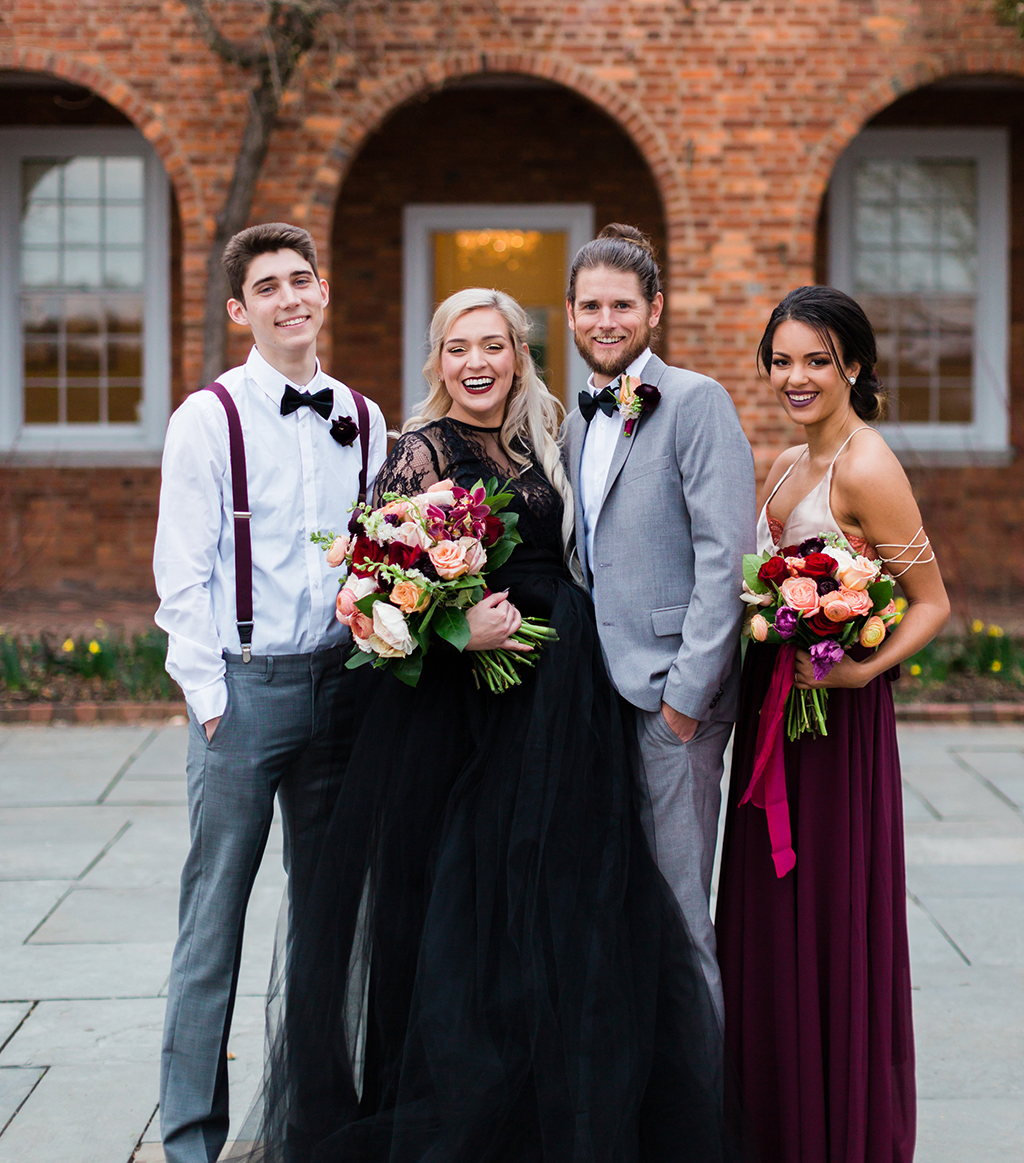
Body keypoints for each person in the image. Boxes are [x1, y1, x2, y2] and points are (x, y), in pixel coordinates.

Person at [229, 287, 741, 1163]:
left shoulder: (549, 432)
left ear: (518, 355)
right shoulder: (419, 450)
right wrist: (458, 628)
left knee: (576, 901)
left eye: (495, 346)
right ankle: (478, 1107)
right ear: (438, 360)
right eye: (459, 347)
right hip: (467, 719)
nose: (478, 363)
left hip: (569, 703)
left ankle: (570, 1106)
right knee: (472, 903)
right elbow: (368, 586)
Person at [153, 222, 387, 1163]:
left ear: (324, 292)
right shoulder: (206, 419)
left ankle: (314, 1127)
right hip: (243, 695)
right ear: (241, 310)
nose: (290, 298)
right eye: (268, 287)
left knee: (330, 922)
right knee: (211, 926)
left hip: (343, 693)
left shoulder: (368, 423)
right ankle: (188, 1140)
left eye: (303, 280)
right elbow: (181, 578)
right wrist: (212, 701)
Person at [715, 285, 950, 1163]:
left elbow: (931, 602)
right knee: (767, 923)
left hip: (832, 729)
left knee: (827, 917)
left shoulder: (867, 464)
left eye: (816, 360)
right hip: (768, 717)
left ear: (852, 363)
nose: (796, 377)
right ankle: (769, 1124)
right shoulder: (779, 464)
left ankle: (835, 1129)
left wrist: (860, 668)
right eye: (783, 361)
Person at [561, 224, 756, 1022]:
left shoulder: (697, 403)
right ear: (570, 316)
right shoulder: (577, 422)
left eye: (622, 305)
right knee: (613, 910)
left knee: (680, 920)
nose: (606, 320)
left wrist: (683, 703)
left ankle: (700, 1122)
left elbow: (726, 560)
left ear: (655, 310)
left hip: (673, 705)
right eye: (590, 306)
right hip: (597, 702)